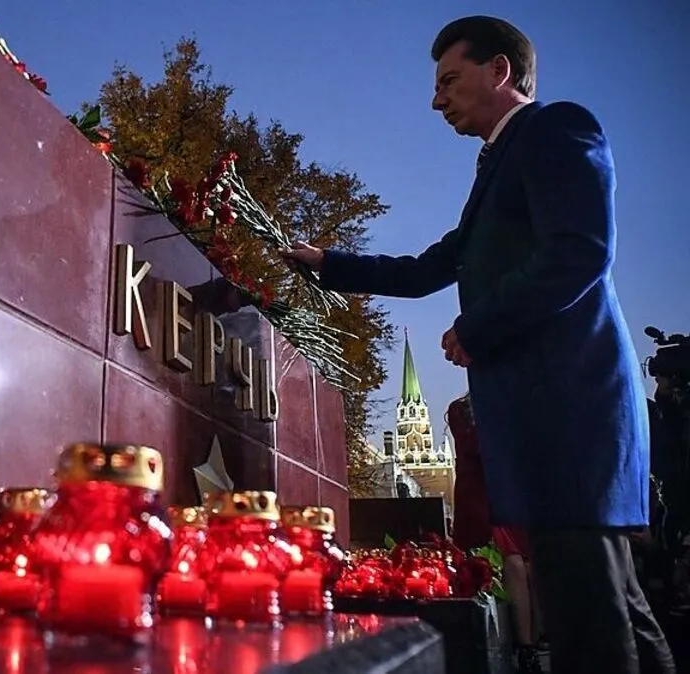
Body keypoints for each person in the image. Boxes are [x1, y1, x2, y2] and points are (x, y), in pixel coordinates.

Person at [281, 16, 676, 674]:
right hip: (546, 424)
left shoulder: (556, 129)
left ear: (499, 71)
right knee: (613, 609)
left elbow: (579, 254)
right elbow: (428, 268)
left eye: (448, 80)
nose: (436, 100)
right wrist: (329, 264)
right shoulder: (498, 167)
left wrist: (477, 327)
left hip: (570, 413)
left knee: (589, 622)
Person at [447, 393, 544, 673]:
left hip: (509, 497)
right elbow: (478, 448)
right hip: (479, 501)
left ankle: (532, 643)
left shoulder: (511, 406)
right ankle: (523, 647)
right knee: (510, 564)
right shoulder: (461, 410)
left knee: (529, 567)